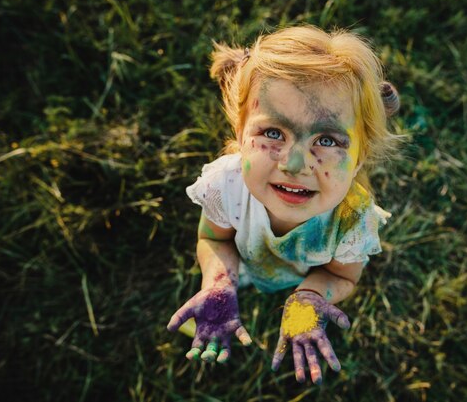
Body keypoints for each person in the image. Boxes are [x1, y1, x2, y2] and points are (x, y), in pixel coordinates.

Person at [166, 25, 400, 385]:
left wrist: (307, 298)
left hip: (300, 275)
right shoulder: (227, 186)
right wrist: (218, 282)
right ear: (240, 133)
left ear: (359, 156)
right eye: (273, 133)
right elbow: (215, 240)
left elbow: (341, 275)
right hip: (247, 267)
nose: (294, 164)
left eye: (326, 139)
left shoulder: (352, 220)